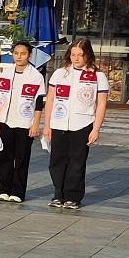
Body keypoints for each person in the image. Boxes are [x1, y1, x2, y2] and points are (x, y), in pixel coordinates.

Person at [47, 36, 108, 210]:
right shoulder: (60, 73)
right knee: (56, 161)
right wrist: (47, 125)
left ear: (88, 55)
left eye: (80, 55)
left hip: (83, 123)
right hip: (59, 123)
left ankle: (73, 196)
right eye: (73, 54)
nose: (76, 58)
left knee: (77, 162)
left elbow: (101, 103)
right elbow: (50, 99)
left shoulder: (98, 76)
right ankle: (58, 194)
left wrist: (95, 129)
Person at [0, 39, 47, 203]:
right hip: (5, 122)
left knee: (21, 158)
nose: (19, 57)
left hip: (25, 123)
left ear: (30, 55)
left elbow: (38, 103)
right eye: (16, 53)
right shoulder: (6, 73)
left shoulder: (36, 76)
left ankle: (18, 192)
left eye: (23, 54)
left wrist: (35, 124)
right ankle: (4, 189)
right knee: (4, 157)